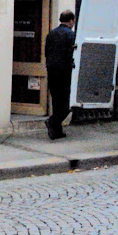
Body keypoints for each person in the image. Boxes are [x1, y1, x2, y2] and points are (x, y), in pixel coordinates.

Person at [44, 10, 76, 140]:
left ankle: (56, 131)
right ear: (71, 20)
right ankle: (52, 122)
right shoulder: (71, 35)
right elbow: (72, 53)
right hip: (65, 72)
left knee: (56, 101)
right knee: (66, 104)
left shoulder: (51, 34)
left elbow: (46, 52)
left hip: (52, 70)